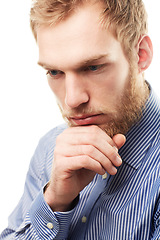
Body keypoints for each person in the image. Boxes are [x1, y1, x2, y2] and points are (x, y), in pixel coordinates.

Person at [0, 0, 160, 239]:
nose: (72, 100)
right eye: (55, 72)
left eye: (93, 67)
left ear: (141, 55)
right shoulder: (50, 148)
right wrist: (54, 201)